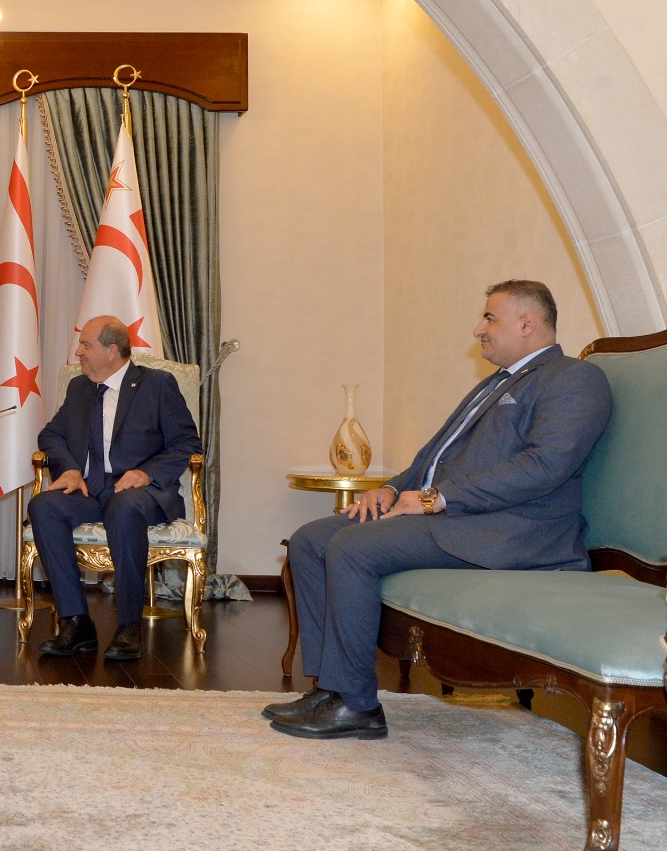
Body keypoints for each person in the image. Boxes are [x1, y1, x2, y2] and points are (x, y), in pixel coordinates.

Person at [271, 280, 613, 740]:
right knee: (310, 539)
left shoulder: (574, 378)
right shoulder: (495, 383)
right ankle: (328, 687)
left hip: (511, 531)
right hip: (459, 517)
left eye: (489, 318)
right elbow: (431, 458)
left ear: (527, 323)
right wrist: (391, 489)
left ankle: (355, 705)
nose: (478, 329)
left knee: (352, 547)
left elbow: (544, 467)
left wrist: (436, 499)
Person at [30, 316, 202, 662]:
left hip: (139, 494)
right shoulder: (79, 388)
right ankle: (76, 622)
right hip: (91, 491)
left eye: (86, 345)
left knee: (124, 508)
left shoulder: (156, 385)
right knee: (43, 506)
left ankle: (128, 626)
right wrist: (71, 469)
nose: (79, 352)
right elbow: (51, 435)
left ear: (111, 350)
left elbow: (187, 443)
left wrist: (146, 473)